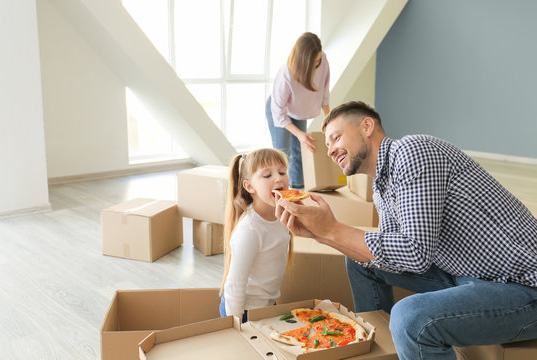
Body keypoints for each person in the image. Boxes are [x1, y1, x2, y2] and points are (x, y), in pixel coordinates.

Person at [275, 100, 537, 359]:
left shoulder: (412, 151)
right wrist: (320, 235)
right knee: (359, 261)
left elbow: (415, 254)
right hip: (470, 272)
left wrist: (332, 229)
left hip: (522, 285)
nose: (330, 150)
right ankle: (384, 353)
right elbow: (392, 257)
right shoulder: (381, 186)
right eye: (328, 144)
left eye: (336, 137)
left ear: (367, 126)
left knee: (410, 318)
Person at [219, 148, 293, 322]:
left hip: (266, 306)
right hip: (242, 311)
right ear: (249, 186)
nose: (278, 178)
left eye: (282, 172)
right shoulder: (250, 230)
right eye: (267, 175)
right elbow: (234, 286)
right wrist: (235, 326)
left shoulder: (281, 214)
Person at [266, 32, 330, 190]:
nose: (317, 63)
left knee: (301, 151)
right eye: (314, 62)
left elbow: (324, 92)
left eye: (319, 59)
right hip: (280, 112)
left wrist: (329, 120)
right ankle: (280, 194)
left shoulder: (323, 60)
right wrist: (299, 134)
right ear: (303, 62)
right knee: (282, 156)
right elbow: (278, 112)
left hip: (299, 111)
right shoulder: (286, 73)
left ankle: (298, 190)